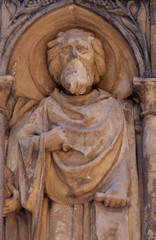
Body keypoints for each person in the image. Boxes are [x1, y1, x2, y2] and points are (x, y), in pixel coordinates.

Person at [5, 29, 130, 240]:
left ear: (95, 60)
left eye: (82, 49)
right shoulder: (47, 108)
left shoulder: (112, 109)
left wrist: (119, 187)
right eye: (66, 50)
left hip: (102, 205)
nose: (74, 56)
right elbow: (23, 142)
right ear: (56, 61)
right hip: (56, 206)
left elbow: (123, 159)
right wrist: (45, 141)